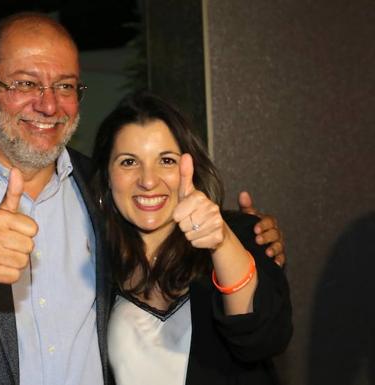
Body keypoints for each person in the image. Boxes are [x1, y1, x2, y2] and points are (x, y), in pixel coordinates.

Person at [0, 12, 286, 385]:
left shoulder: (101, 188)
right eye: (25, 83)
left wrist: (242, 237)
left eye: (64, 85)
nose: (48, 104)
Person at [92, 91, 292, 385]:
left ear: (191, 168)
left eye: (167, 160)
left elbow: (263, 339)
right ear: (108, 175)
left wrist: (221, 241)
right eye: (129, 162)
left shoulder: (241, 236)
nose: (148, 181)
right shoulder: (95, 263)